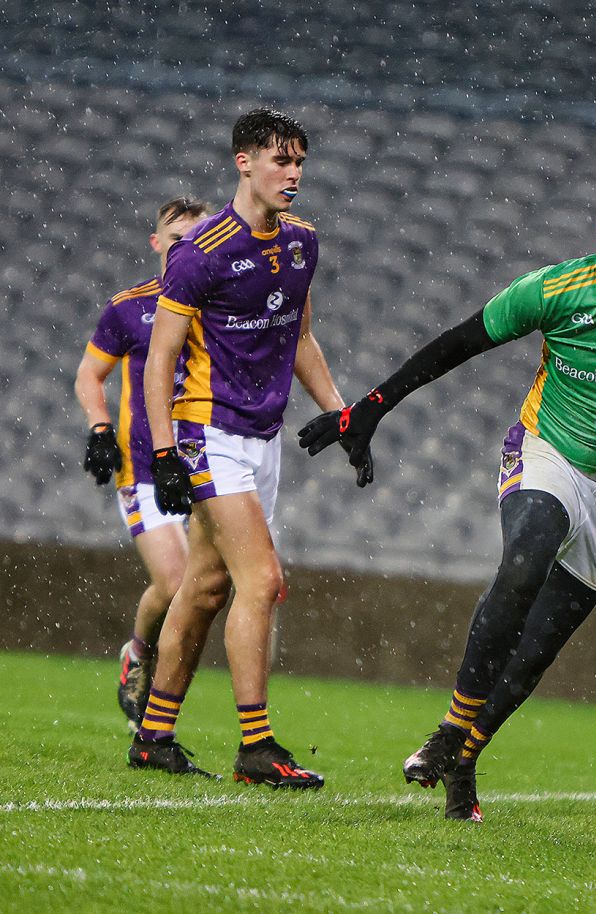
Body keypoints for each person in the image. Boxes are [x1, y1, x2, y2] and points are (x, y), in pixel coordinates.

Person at [300, 169, 596, 821]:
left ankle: (465, 763)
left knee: (537, 650)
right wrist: (372, 406)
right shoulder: (555, 290)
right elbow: (458, 343)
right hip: (547, 453)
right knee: (524, 557)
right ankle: (451, 731)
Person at [129, 107, 372, 786]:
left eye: (299, 162)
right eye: (280, 161)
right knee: (261, 582)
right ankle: (256, 749)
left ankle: (153, 737)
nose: (293, 174)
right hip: (209, 433)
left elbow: (300, 340)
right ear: (244, 163)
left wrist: (342, 416)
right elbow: (160, 360)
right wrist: (162, 454)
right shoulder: (200, 251)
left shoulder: (302, 244)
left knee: (206, 586)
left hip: (261, 439)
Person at [75, 196, 210, 730]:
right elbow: (90, 374)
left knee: (210, 586)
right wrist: (100, 428)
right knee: (177, 581)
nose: (186, 249)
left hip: (205, 462)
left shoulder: (217, 308)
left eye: (196, 240)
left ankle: (164, 710)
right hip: (144, 468)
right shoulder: (130, 307)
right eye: (177, 239)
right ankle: (139, 653)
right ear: (157, 245)